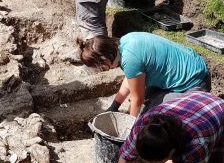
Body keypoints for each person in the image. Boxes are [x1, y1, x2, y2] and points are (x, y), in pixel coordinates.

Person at [77, 32, 210, 116]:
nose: (99, 70)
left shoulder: (130, 60)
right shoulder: (126, 42)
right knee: (147, 98)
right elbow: (131, 80)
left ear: (104, 58)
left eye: (97, 66)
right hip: (192, 67)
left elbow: (137, 100)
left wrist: (129, 129)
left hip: (194, 82)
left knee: (154, 114)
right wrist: (114, 106)